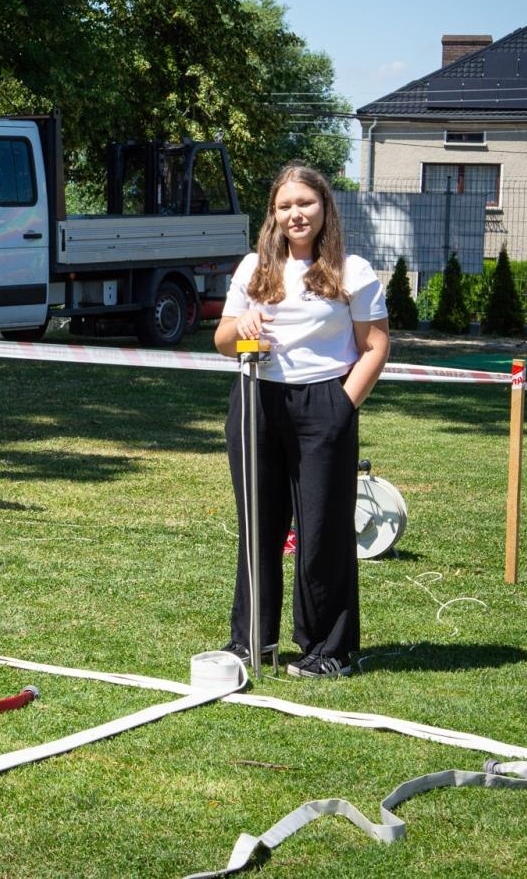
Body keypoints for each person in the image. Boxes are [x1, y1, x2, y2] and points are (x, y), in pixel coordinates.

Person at [213, 162, 389, 679]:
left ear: (324, 208)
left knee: (323, 532)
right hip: (256, 403)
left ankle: (327, 651)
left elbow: (375, 346)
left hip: (324, 406)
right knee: (259, 528)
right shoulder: (253, 269)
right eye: (285, 206)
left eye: (305, 204)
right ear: (273, 214)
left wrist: (343, 405)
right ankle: (251, 642)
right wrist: (242, 327)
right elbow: (225, 342)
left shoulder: (352, 271)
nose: (296, 214)